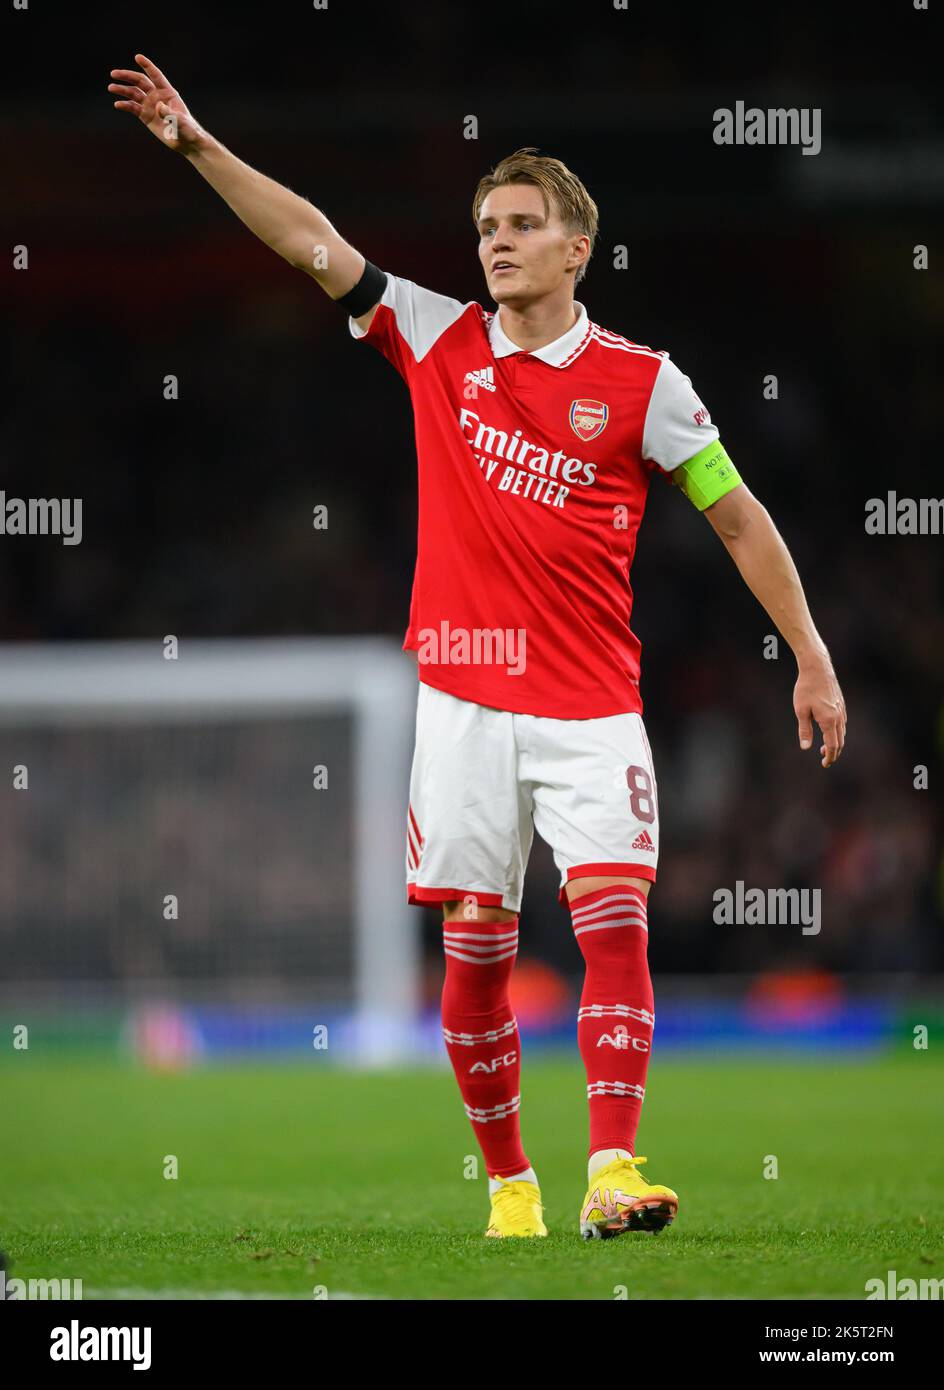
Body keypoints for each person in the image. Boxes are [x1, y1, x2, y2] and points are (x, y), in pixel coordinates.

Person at [110, 54, 847, 1240]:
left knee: (613, 923)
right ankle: (510, 1186)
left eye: (520, 225)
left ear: (575, 251)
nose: (495, 242)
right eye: (484, 226)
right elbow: (309, 238)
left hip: (591, 704)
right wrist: (196, 144)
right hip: (460, 701)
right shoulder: (432, 337)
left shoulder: (645, 385)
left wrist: (807, 653)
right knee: (474, 952)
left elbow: (737, 515)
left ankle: (613, 1168)